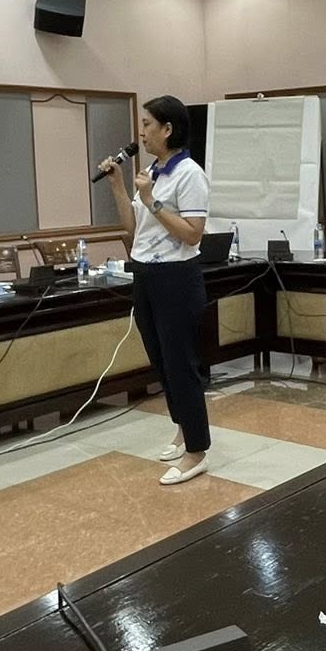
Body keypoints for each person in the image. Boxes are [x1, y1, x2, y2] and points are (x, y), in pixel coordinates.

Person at [103, 95, 213, 486]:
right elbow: (132, 229)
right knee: (162, 361)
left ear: (168, 129)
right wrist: (119, 186)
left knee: (181, 364)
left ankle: (197, 451)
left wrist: (151, 200)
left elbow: (193, 233)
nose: (142, 132)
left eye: (147, 124)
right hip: (146, 273)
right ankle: (183, 428)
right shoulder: (152, 170)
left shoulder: (190, 174)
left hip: (176, 277)